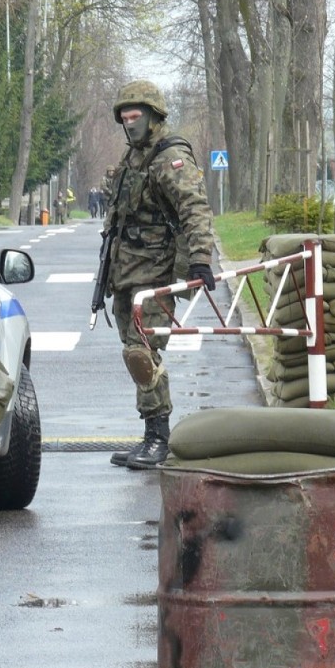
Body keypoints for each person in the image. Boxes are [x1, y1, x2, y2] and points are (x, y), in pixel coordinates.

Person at [102, 79, 217, 470]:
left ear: (154, 116)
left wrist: (201, 257)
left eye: (136, 116)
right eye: (124, 118)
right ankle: (150, 434)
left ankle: (158, 439)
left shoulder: (170, 156)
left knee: (141, 352)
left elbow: (194, 207)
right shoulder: (133, 158)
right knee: (134, 351)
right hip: (126, 273)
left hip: (156, 273)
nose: (129, 123)